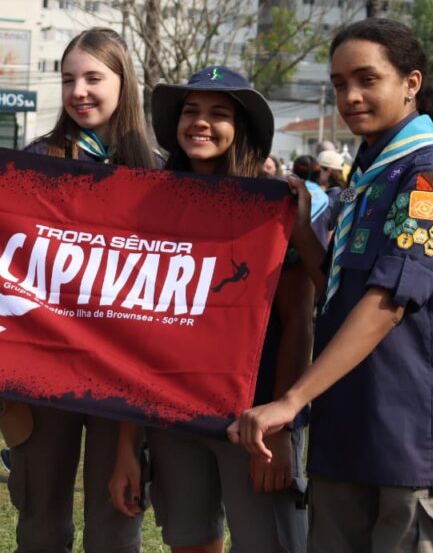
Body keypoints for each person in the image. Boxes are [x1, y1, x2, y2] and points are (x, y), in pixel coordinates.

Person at [229, 19, 433, 552]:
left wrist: (291, 400)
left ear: (411, 83)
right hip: (350, 436)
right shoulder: (370, 178)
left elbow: (387, 304)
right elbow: (340, 290)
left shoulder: (431, 176)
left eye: (366, 79)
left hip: (415, 448)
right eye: (337, 83)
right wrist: (303, 230)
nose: (350, 97)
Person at [109, 66, 315, 553]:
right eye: (191, 112)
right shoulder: (148, 206)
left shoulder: (273, 207)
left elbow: (298, 326)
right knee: (191, 543)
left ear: (241, 129)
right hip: (172, 418)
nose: (201, 123)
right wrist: (126, 444)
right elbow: (134, 332)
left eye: (218, 114)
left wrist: (282, 428)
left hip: (255, 420)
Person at [11, 28, 158, 553]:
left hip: (122, 379)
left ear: (124, 84)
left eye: (94, 78)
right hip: (42, 367)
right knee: (40, 522)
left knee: (116, 523)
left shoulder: (157, 174)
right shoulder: (32, 162)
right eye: (69, 79)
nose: (79, 91)